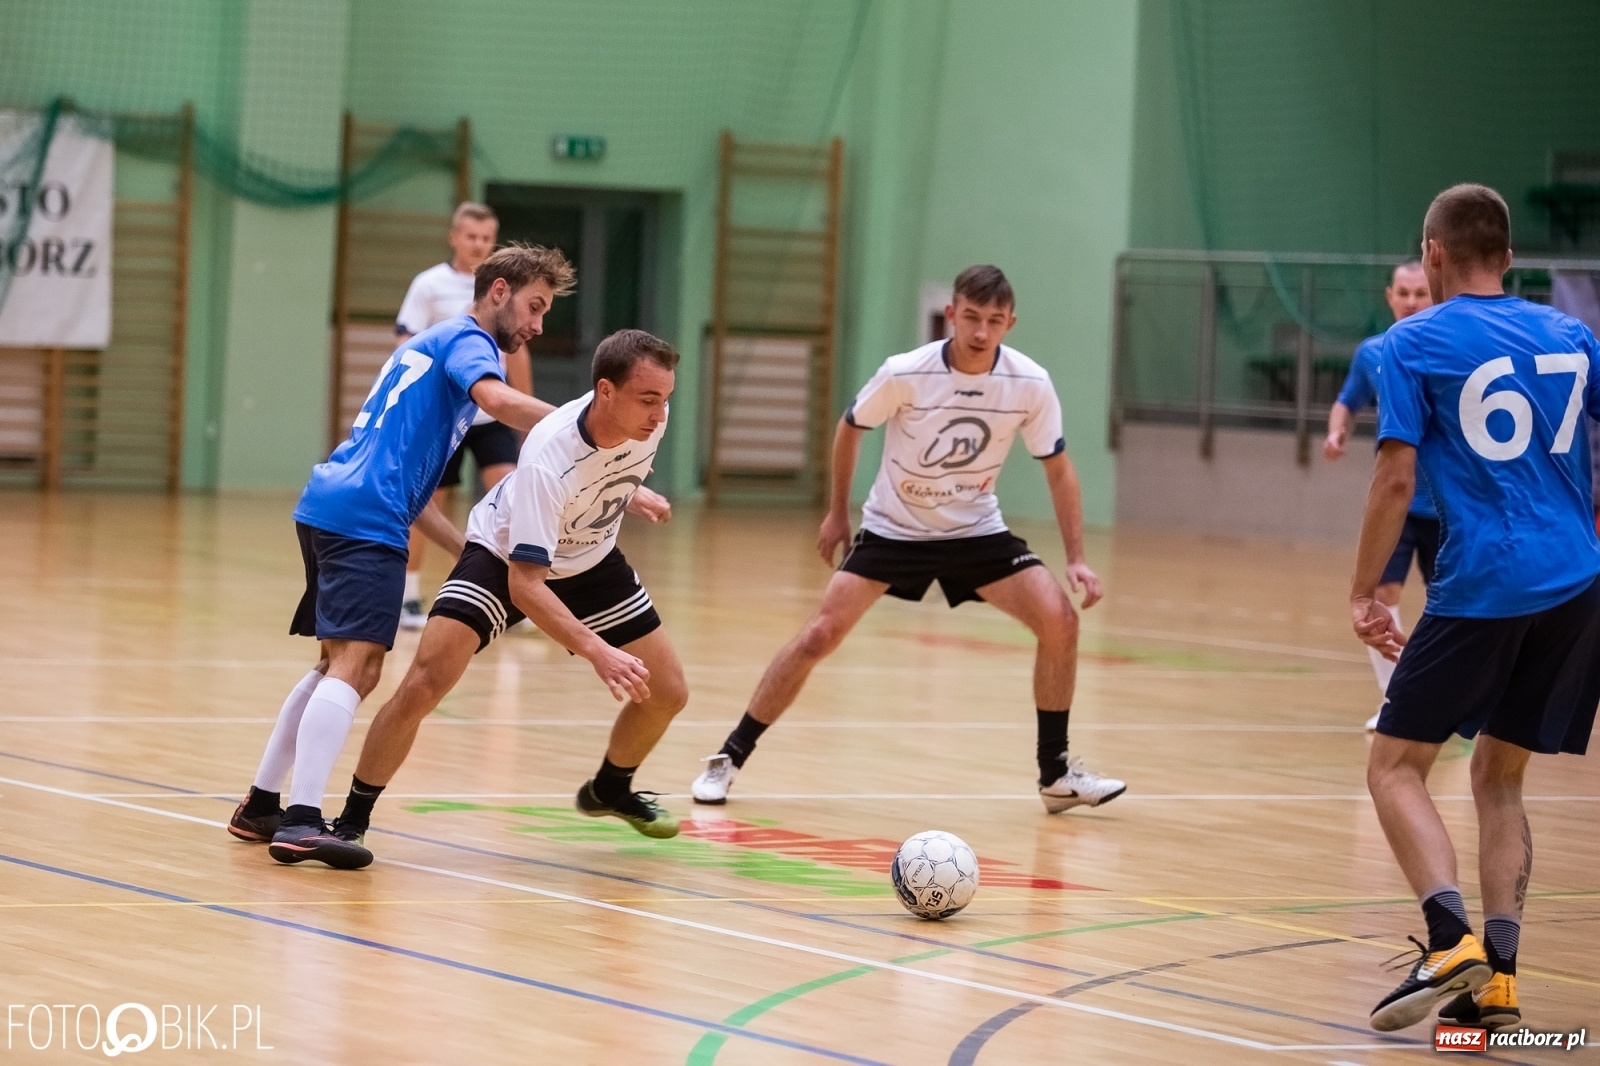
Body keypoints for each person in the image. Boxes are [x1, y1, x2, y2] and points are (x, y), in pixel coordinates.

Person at [691, 265, 1125, 812]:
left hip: (975, 529)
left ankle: (1055, 774)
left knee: (1060, 621)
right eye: (971, 317)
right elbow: (851, 428)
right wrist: (836, 514)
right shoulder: (906, 372)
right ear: (951, 315)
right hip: (896, 528)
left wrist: (1079, 558)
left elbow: (1059, 469)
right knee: (818, 637)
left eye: (994, 321)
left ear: (1011, 323)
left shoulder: (1029, 383)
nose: (981, 332)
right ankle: (728, 758)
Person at [226, 245, 575, 869]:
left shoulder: (431, 345)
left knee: (334, 664)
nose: (537, 326)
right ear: (498, 291)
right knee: (357, 668)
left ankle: (262, 804)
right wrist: (580, 427)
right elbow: (498, 402)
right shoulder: (472, 343)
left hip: (335, 503)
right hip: (365, 518)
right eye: (534, 307)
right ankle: (302, 821)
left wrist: (470, 550)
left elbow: (415, 494)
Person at [1352, 184, 1600, 1033]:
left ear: (1432, 254)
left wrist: (1363, 588)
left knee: (1394, 766)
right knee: (1500, 775)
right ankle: (1497, 978)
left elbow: (1394, 477)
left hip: (1484, 585)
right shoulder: (1572, 336)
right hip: (1577, 586)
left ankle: (1450, 937)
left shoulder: (1410, 342)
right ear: (1509, 255)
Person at [329, 329, 684, 847]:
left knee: (668, 692)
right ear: (605, 391)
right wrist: (595, 650)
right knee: (424, 682)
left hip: (590, 557)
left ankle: (610, 789)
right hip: (503, 558)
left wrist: (629, 494)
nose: (659, 414)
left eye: (665, 399)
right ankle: (351, 821)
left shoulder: (651, 420)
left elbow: (603, 470)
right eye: (648, 399)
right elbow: (525, 585)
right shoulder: (548, 455)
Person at [394, 202, 532, 630]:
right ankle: (409, 594)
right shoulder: (429, 285)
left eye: (487, 238)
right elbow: (407, 345)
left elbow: (518, 350)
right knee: (429, 503)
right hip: (444, 416)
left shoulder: (505, 289)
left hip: (490, 415)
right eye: (471, 236)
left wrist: (528, 416)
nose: (478, 245)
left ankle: (519, 594)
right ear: (455, 237)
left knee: (515, 496)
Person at [1323, 262, 1435, 729]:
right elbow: (1348, 400)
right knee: (1383, 594)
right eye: (1404, 293)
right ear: (1390, 296)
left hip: (1447, 505)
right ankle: (1397, 699)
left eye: (1421, 293)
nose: (1411, 301)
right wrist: (1337, 433)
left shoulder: (1446, 349)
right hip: (1398, 504)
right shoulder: (1373, 353)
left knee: (1446, 599)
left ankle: (1449, 693)